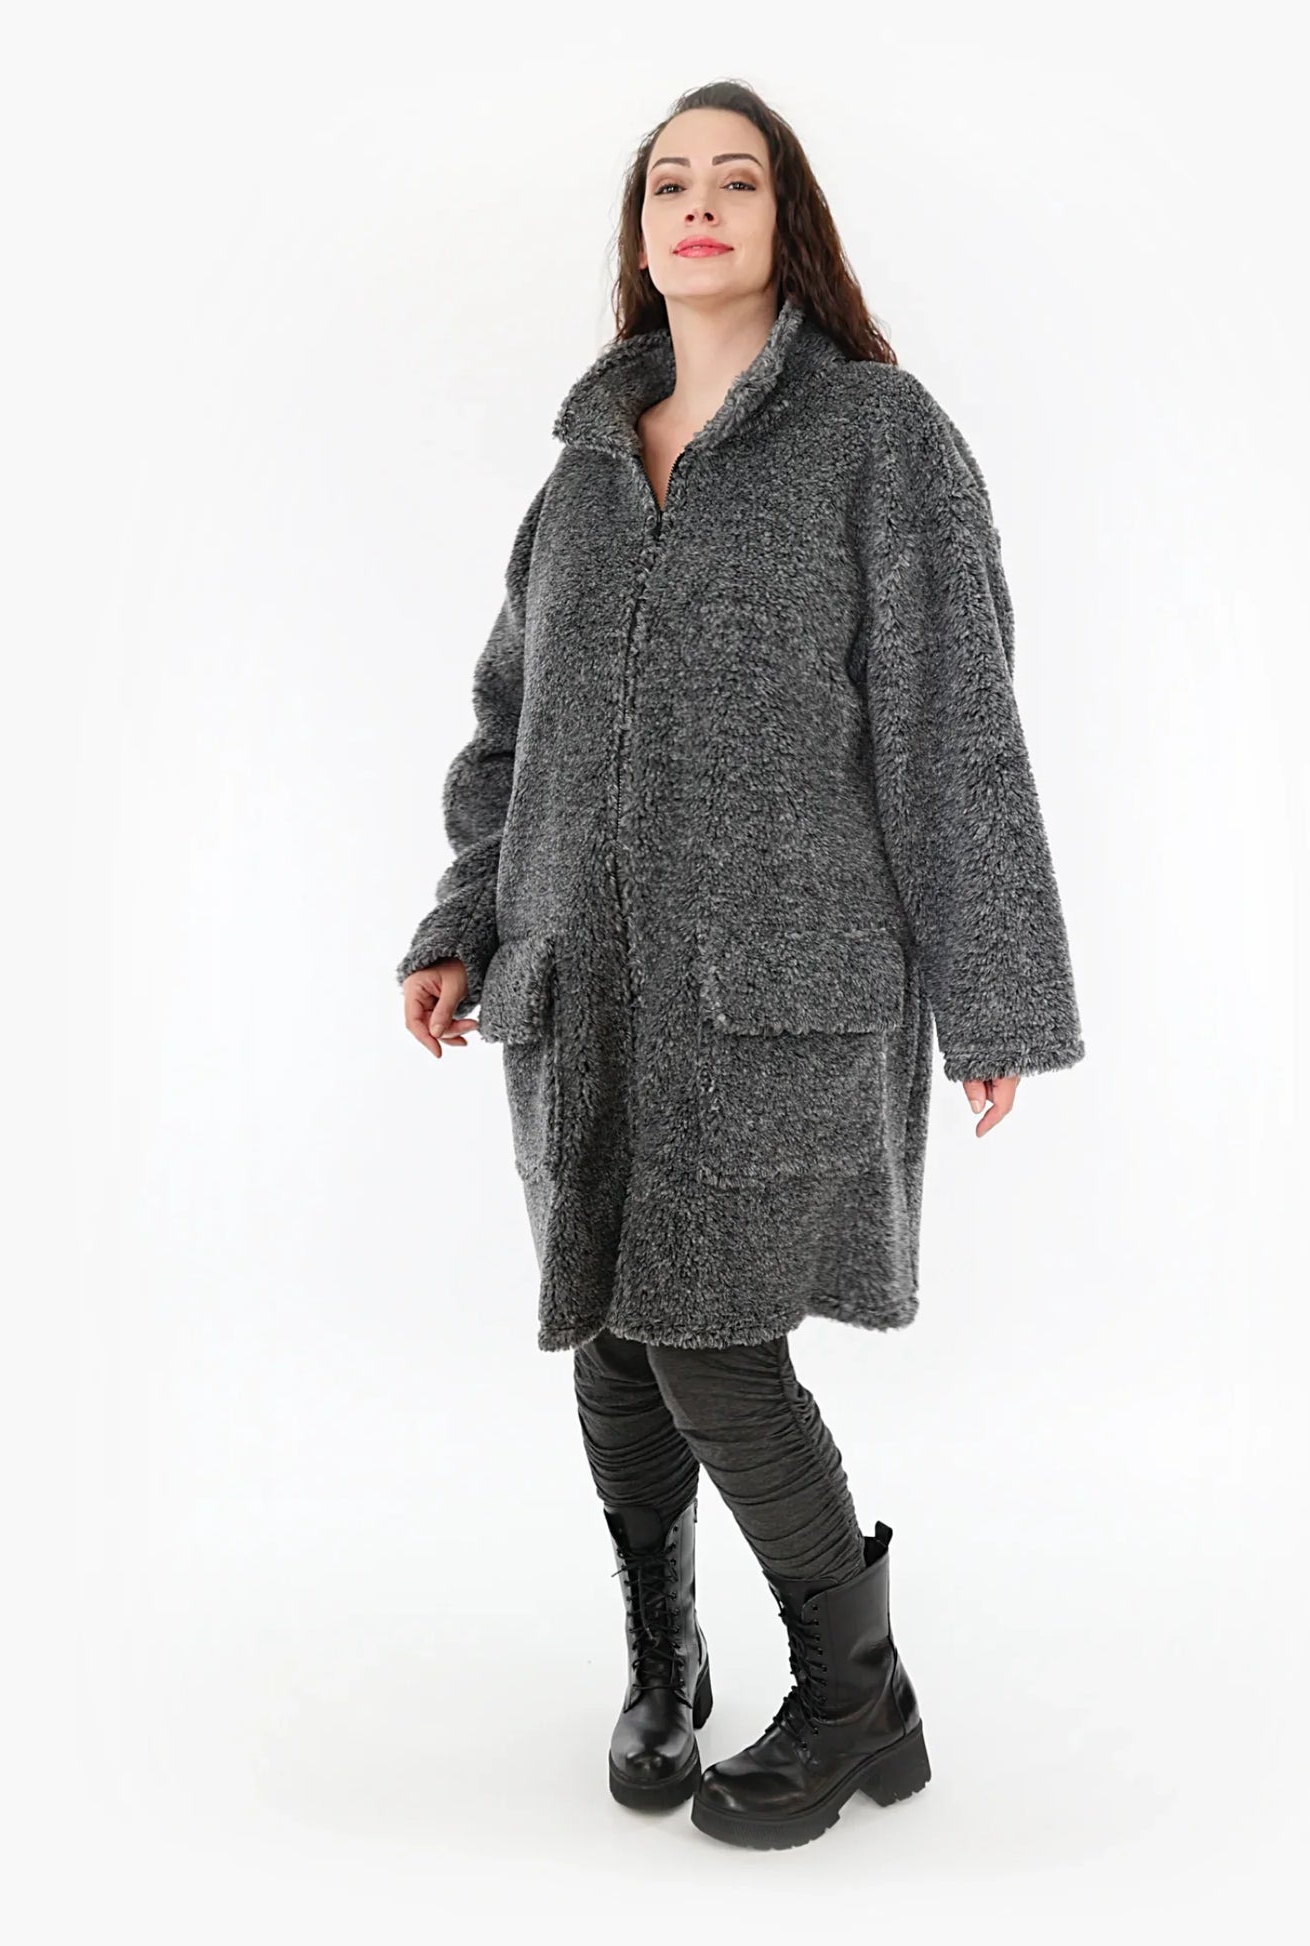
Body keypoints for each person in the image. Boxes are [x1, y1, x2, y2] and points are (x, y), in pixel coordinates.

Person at [395, 80, 1085, 1849]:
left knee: (712, 1344)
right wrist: (465, 920)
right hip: (579, 993)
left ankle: (859, 1697)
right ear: (637, 234)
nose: (697, 205)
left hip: (775, 997)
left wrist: (993, 987)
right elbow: (510, 732)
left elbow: (952, 723)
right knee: (613, 1339)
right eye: (668, 184)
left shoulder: (875, 436)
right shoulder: (578, 475)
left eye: (737, 181)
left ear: (788, 224)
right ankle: (663, 1658)